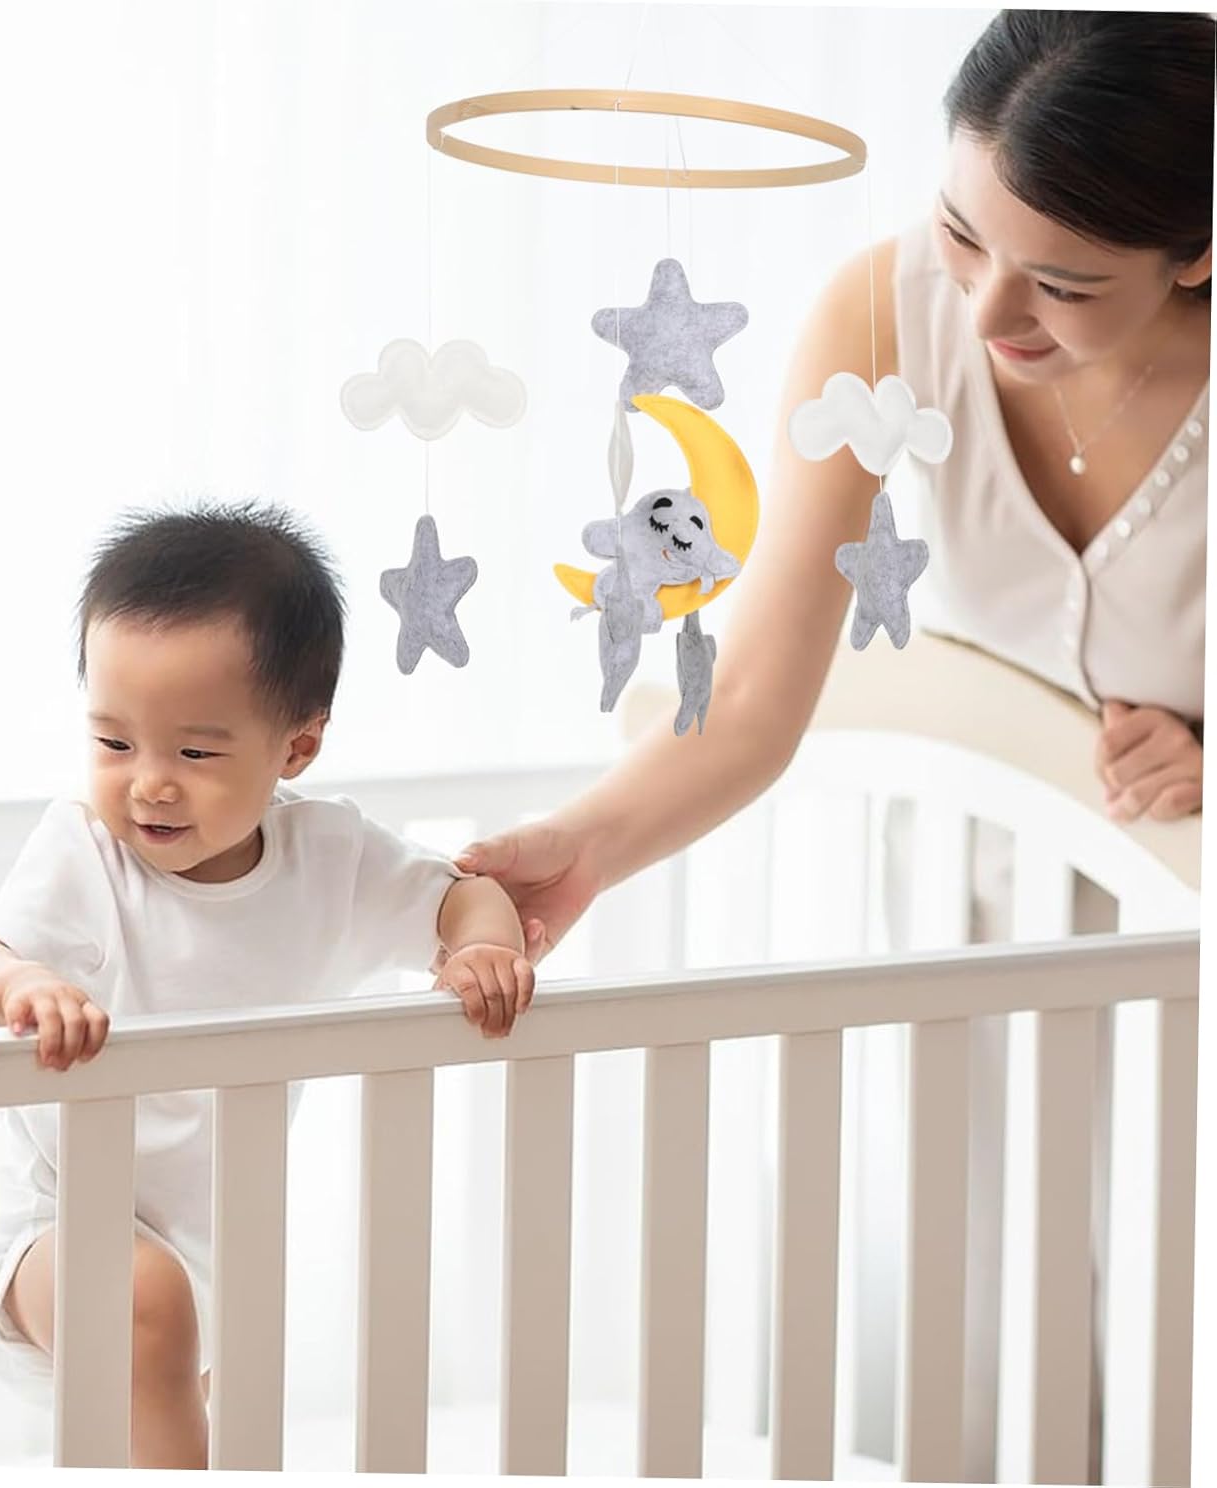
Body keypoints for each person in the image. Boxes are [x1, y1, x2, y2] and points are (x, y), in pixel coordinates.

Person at [457, 11, 1209, 1481]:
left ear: (1196, 253)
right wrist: (581, 844)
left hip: (1189, 900)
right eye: (962, 235)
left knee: (1183, 1323)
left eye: (1063, 285)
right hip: (980, 897)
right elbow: (754, 693)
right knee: (978, 1325)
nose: (989, 312)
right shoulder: (885, 313)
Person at [0, 501, 534, 1469]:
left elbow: (462, 896)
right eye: (114, 744)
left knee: (175, 1387)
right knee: (150, 1306)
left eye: (194, 752)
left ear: (296, 747)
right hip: (55, 1224)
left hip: (215, 1239)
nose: (149, 783)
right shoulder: (85, 853)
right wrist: (22, 984)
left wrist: (482, 948)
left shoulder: (328, 856)